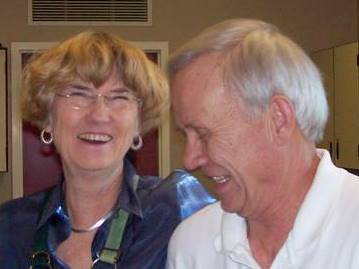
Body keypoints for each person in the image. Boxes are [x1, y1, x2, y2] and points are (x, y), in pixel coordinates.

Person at [0, 31, 215, 269]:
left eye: (119, 97)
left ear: (138, 123)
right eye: (79, 94)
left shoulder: (177, 205)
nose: (99, 115)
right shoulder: (10, 227)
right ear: (48, 116)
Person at [166, 18, 359, 269]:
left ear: (277, 119)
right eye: (185, 136)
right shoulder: (192, 245)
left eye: (203, 135)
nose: (189, 161)